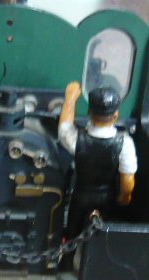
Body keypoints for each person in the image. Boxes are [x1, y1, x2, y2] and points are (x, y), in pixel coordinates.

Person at [58, 82, 137, 236]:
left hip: (80, 195)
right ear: (115, 115)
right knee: (101, 233)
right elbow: (127, 179)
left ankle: (69, 248)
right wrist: (124, 196)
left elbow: (64, 128)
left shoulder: (76, 140)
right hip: (106, 198)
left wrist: (70, 100)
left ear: (89, 112)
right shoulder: (125, 143)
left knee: (73, 229)